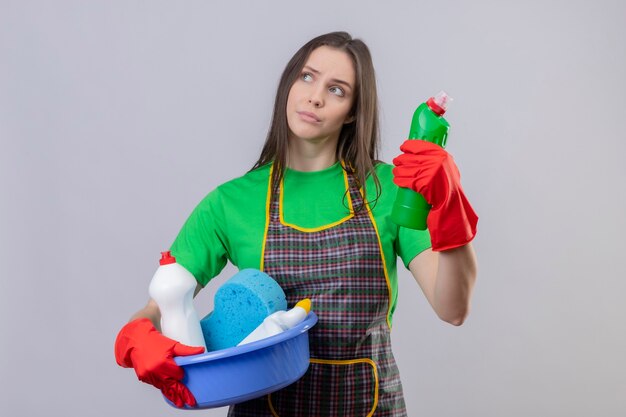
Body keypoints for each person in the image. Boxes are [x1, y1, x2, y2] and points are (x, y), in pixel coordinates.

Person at [114, 31, 478, 416]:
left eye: (337, 90)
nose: (315, 96)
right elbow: (162, 302)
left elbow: (451, 308)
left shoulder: (387, 190)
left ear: (353, 111)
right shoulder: (231, 202)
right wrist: (138, 337)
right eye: (307, 77)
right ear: (289, 83)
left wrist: (450, 209)